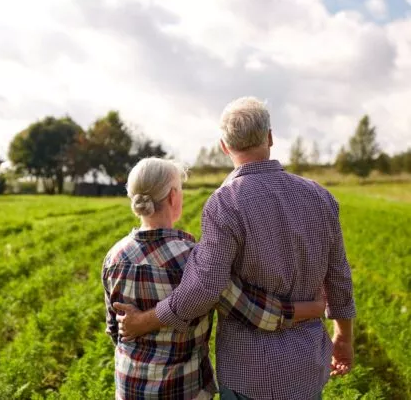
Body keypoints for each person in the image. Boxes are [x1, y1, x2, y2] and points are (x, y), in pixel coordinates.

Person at [115, 98, 356, 400]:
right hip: (308, 364)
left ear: (224, 147)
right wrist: (343, 337)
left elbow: (204, 288)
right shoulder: (320, 196)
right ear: (269, 137)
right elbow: (339, 278)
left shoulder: (225, 202)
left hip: (249, 371)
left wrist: (142, 322)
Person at [103, 157, 325, 400]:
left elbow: (115, 329)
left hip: (129, 387)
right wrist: (308, 308)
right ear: (172, 197)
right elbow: (253, 310)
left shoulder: (114, 257)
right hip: (183, 388)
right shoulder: (194, 258)